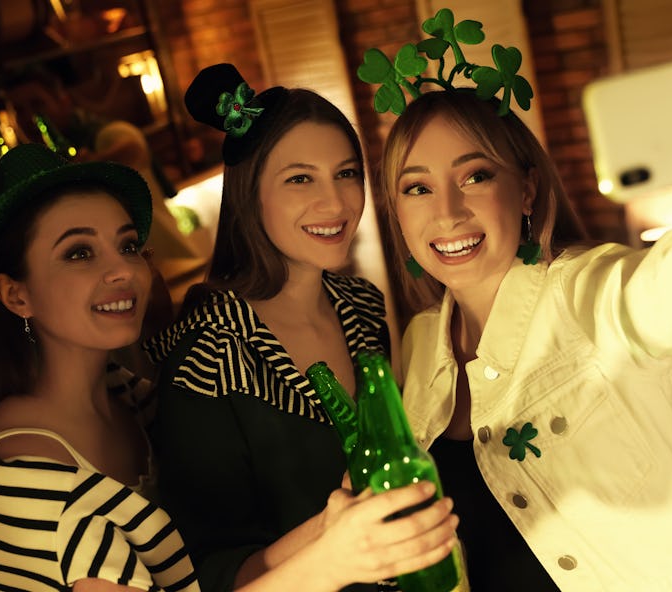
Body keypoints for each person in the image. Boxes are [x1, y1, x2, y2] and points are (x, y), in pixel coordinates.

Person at [0, 143, 459, 591]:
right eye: (79, 253)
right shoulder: (25, 476)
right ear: (16, 295)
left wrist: (335, 527)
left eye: (128, 246)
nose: (122, 271)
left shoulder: (134, 399)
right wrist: (331, 562)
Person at [372, 18, 672, 591]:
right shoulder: (417, 346)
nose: (446, 212)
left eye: (474, 176)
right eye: (417, 187)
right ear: (397, 213)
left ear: (528, 191)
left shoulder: (588, 295)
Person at [143, 63, 461, 592]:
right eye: (299, 179)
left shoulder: (361, 306)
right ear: (250, 194)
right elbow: (210, 569)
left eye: (346, 173)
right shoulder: (209, 353)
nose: (335, 202)